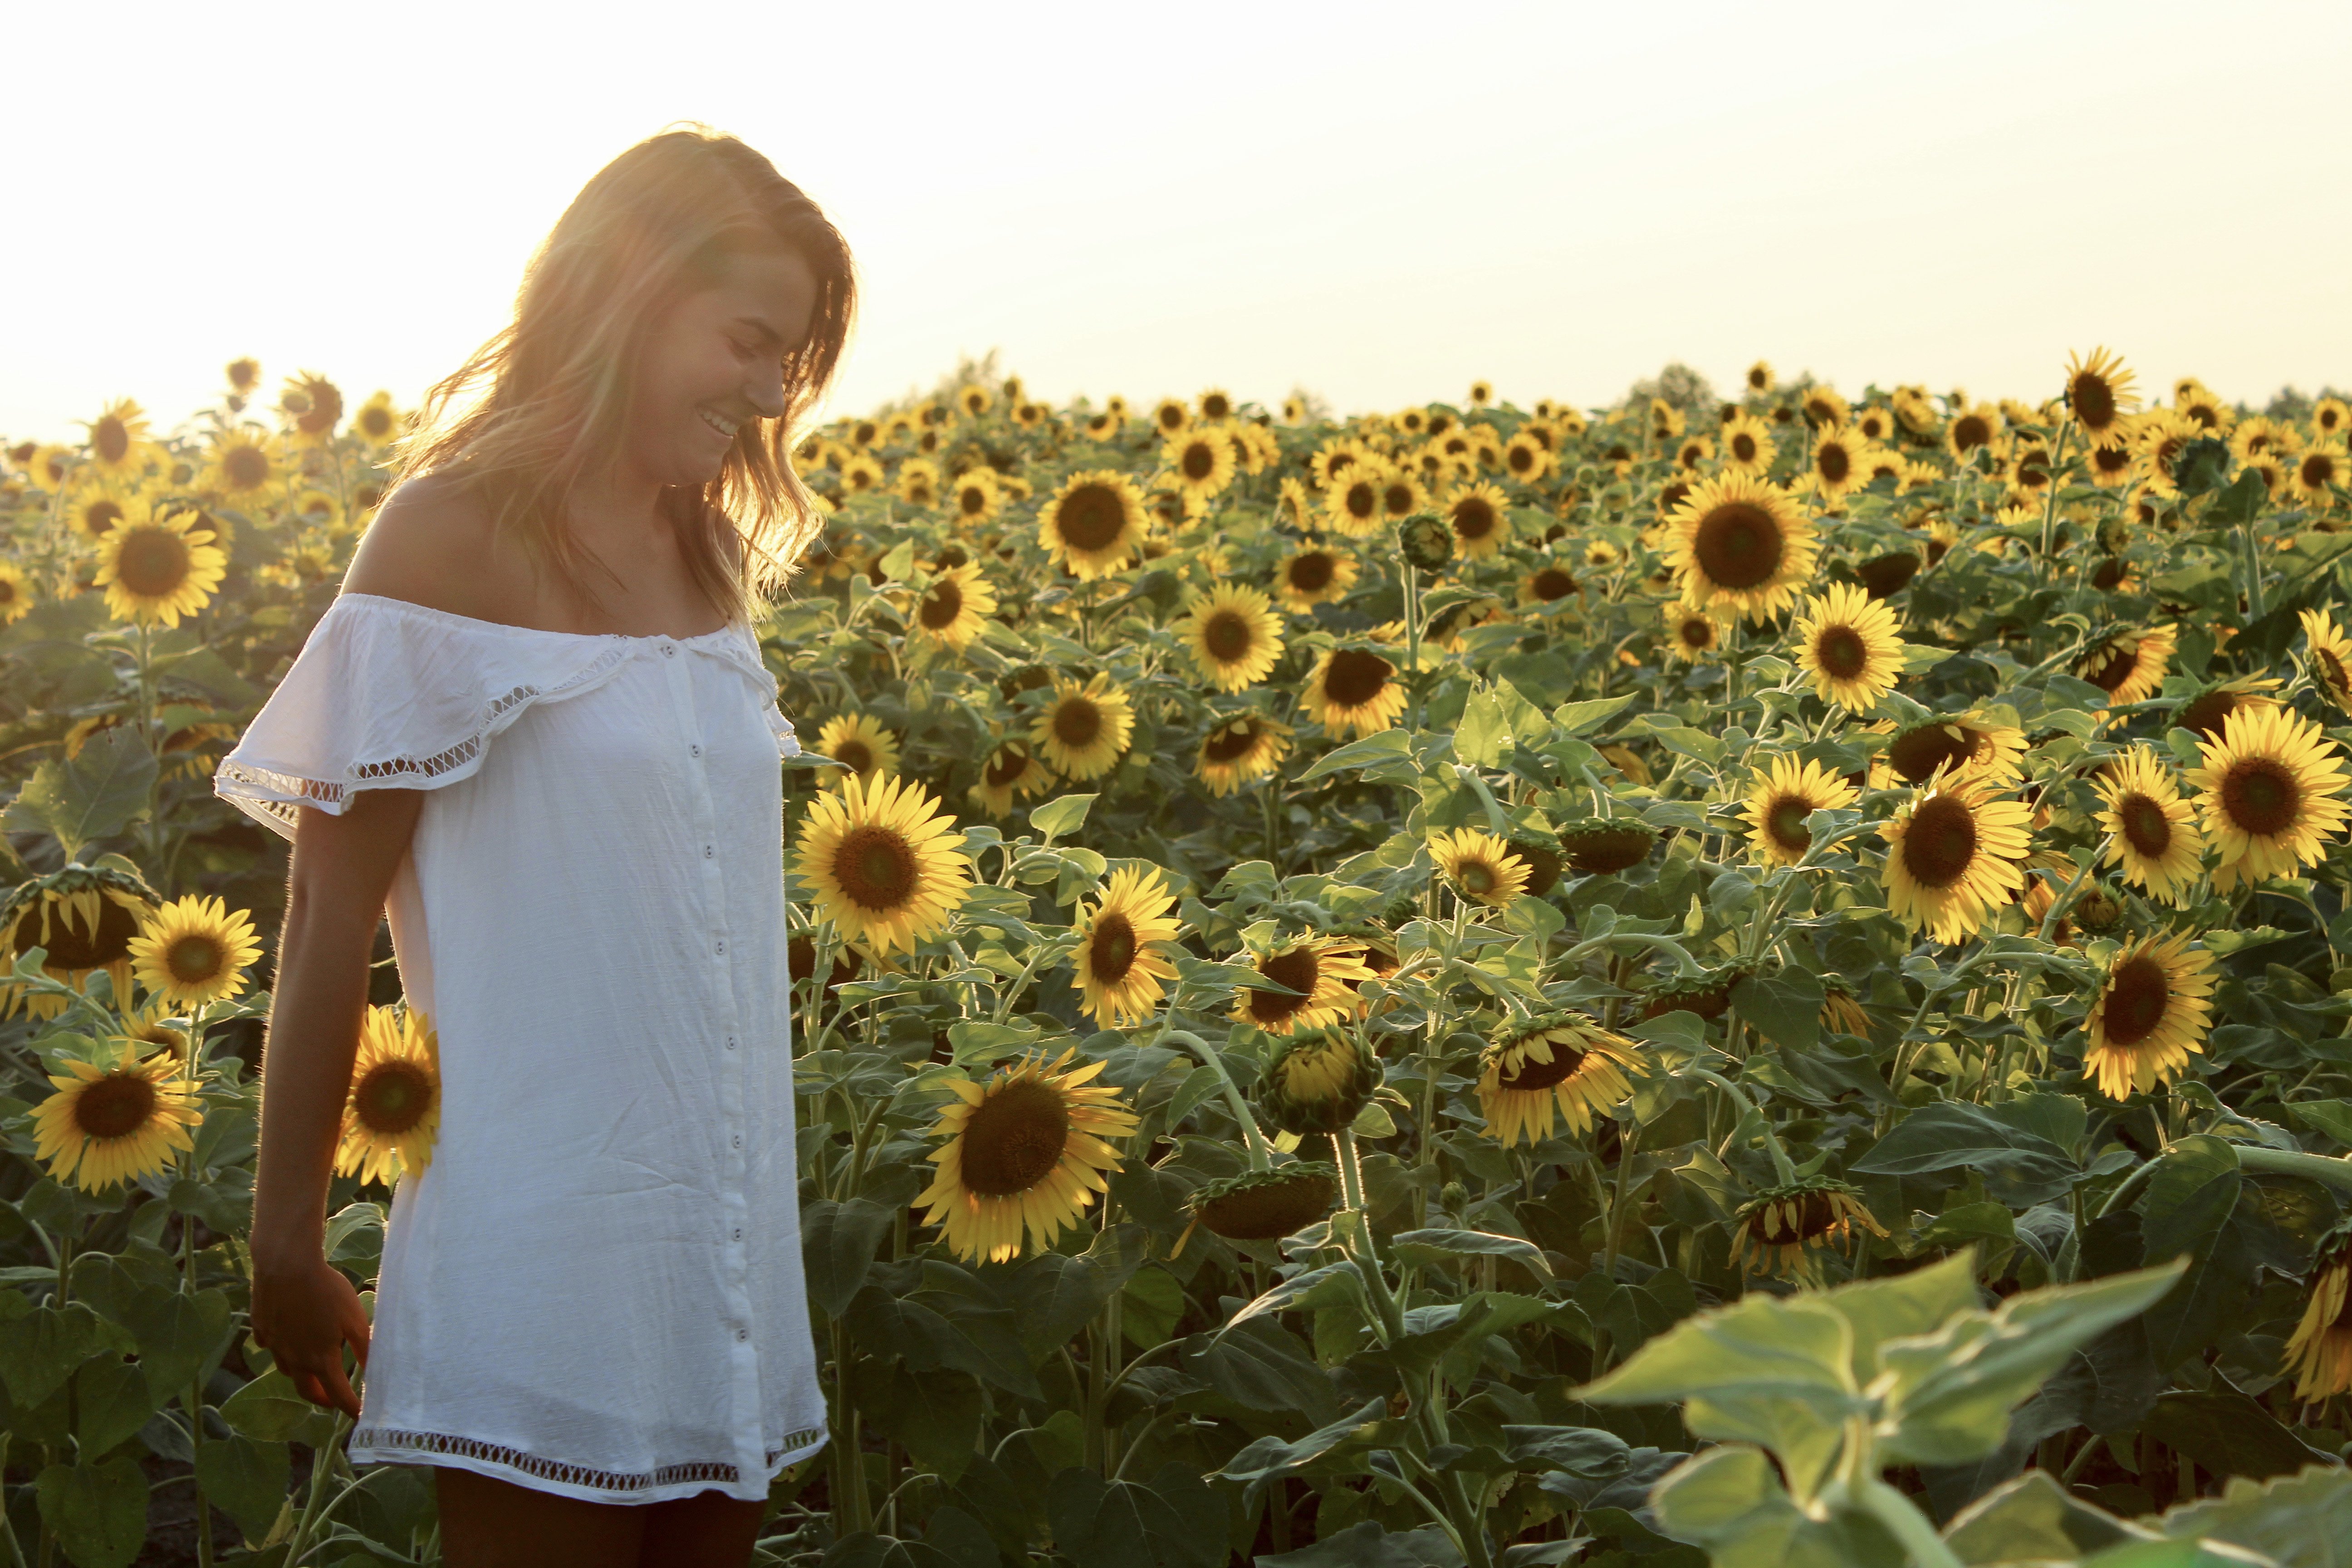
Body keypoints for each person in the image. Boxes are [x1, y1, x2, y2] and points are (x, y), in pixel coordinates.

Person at [216, 125, 856, 1568]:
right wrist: (285, 1241)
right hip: (548, 1222)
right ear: (623, 302)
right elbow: (329, 916)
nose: (768, 395)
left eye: (792, 362)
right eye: (746, 341)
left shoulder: (704, 548)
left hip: (721, 1226)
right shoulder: (445, 540)